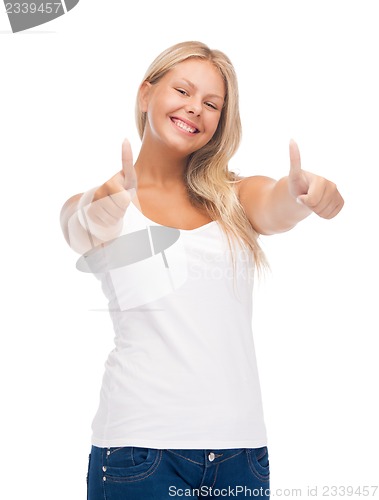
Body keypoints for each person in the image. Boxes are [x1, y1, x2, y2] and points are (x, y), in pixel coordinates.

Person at [60, 41, 344, 500]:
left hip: (241, 455)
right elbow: (80, 227)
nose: (196, 109)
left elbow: (274, 207)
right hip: (140, 453)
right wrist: (107, 204)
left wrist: (300, 194)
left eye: (212, 104)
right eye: (183, 91)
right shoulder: (102, 200)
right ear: (146, 94)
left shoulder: (235, 196)